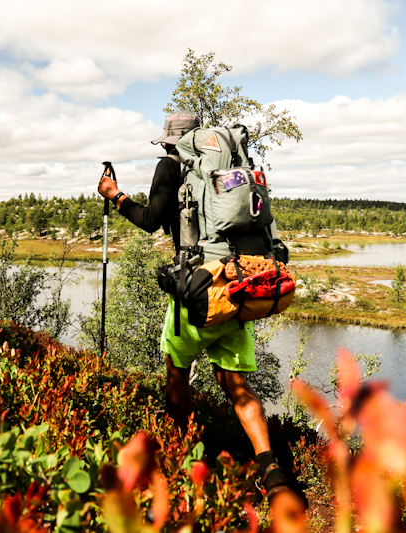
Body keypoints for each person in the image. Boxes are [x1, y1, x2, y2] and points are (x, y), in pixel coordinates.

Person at [97, 110, 287, 500]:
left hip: (199, 290)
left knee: (176, 371)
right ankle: (272, 472)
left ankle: (182, 457)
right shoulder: (235, 169)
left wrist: (115, 196)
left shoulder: (170, 167)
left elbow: (150, 219)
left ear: (170, 141)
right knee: (237, 384)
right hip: (238, 282)